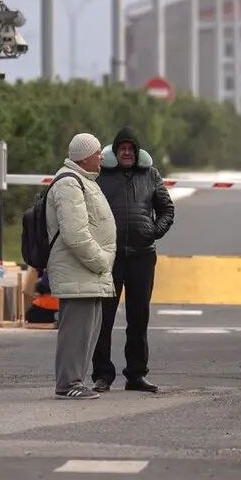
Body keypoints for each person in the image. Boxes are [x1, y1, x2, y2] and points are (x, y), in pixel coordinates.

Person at [92, 128, 173, 393]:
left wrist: (154, 231)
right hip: (109, 257)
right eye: (122, 148)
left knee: (138, 319)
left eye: (131, 148)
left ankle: (136, 375)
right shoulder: (101, 176)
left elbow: (166, 209)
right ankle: (102, 375)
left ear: (137, 153)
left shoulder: (151, 175)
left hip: (142, 256)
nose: (126, 152)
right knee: (103, 318)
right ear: (115, 152)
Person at [46, 132, 117, 400]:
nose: (101, 157)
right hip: (82, 269)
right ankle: (68, 383)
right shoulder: (69, 184)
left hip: (88, 272)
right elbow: (75, 233)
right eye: (98, 152)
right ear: (86, 156)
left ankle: (75, 381)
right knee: (76, 332)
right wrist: (100, 259)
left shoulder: (84, 180)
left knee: (88, 331)